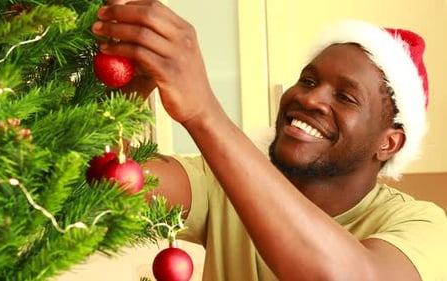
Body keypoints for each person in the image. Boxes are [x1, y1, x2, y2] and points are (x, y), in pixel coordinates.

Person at [92, 1, 447, 280]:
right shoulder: (219, 183)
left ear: (389, 143)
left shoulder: (422, 225)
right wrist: (126, 97)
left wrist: (204, 112)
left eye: (346, 97)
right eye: (308, 81)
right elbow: (90, 182)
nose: (309, 99)